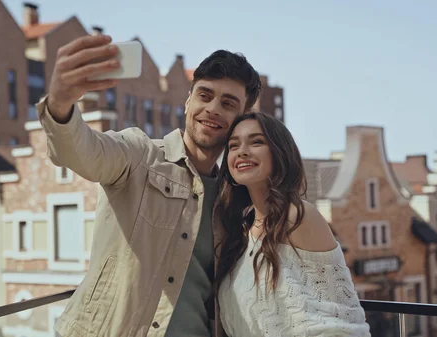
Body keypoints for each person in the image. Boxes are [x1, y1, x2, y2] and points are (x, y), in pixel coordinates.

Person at [37, 33, 261, 337]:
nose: (213, 109)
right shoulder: (140, 155)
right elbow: (82, 152)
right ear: (187, 102)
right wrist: (61, 104)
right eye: (204, 96)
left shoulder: (234, 199)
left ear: (241, 118)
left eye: (228, 103)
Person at [215, 112, 371, 336]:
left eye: (256, 142)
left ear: (280, 152)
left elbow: (342, 320)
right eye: (233, 145)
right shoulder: (241, 232)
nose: (242, 151)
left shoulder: (297, 216)